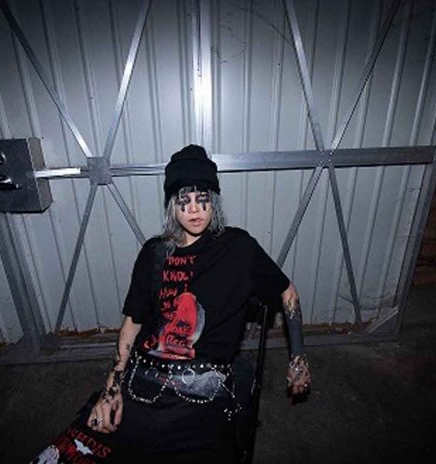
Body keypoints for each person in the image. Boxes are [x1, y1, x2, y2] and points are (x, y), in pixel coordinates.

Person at [35, 144, 310, 463]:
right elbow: (133, 322)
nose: (194, 209)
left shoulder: (239, 248)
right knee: (69, 454)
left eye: (202, 198)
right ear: (172, 206)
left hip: (203, 390)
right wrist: (111, 389)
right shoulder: (154, 253)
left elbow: (287, 292)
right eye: (184, 200)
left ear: (214, 201)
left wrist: (298, 358)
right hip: (141, 380)